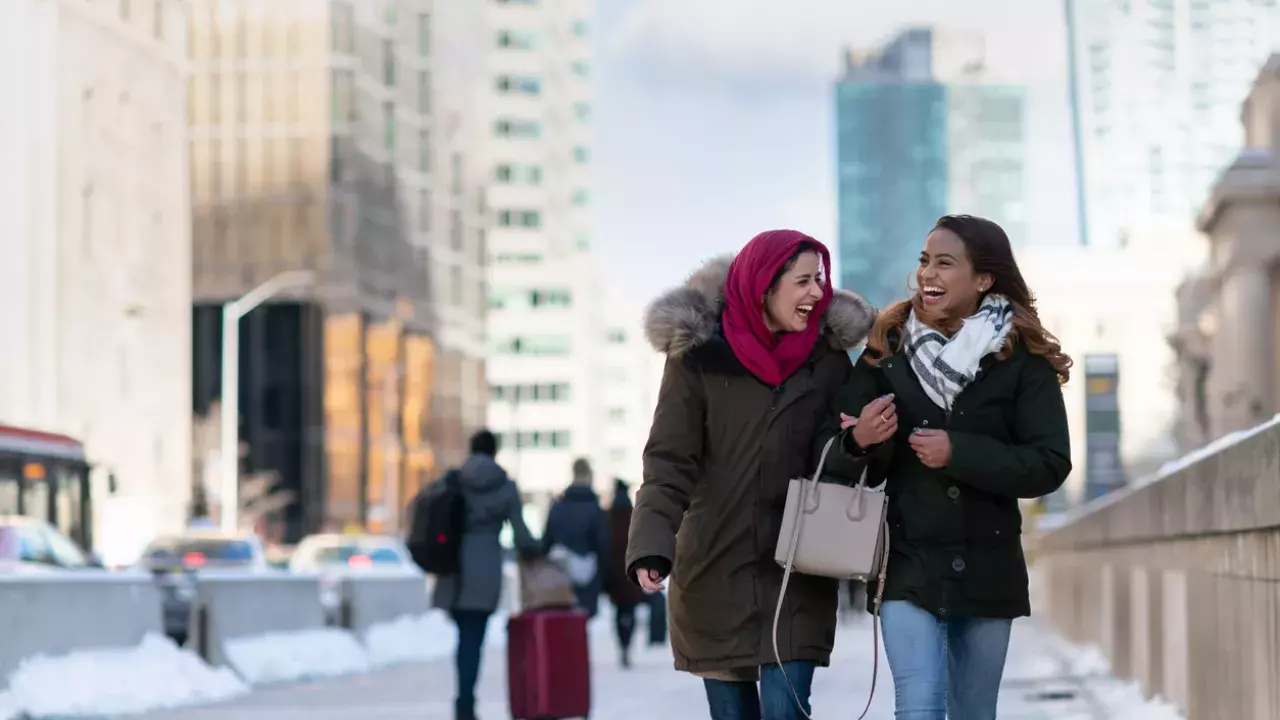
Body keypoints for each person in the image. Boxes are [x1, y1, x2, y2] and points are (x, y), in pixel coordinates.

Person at [821, 214, 1072, 719]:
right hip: (909, 564)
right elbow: (832, 453)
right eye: (923, 261)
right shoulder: (886, 347)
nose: (927, 274)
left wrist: (960, 452)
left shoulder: (1023, 360)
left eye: (944, 263)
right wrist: (860, 439)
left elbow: (1049, 463)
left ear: (983, 279)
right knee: (918, 707)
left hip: (989, 567)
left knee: (974, 713)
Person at [626, 229, 876, 719]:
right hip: (715, 567)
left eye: (820, 281)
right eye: (803, 280)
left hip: (798, 566)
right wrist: (651, 543)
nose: (815, 293)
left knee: (787, 710)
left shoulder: (827, 360)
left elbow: (836, 450)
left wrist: (857, 440)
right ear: (765, 284)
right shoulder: (697, 356)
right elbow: (668, 460)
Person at [431, 429, 539, 720]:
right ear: (494, 452)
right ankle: (465, 701)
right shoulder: (504, 485)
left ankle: (463, 699)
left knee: (464, 636)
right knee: (473, 637)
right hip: (486, 568)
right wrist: (541, 547)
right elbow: (522, 537)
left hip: (453, 569)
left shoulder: (454, 480)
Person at [542, 458, 610, 618]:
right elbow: (603, 544)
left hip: (560, 572)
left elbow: (546, 541)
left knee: (561, 620)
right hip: (588, 574)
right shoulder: (596, 509)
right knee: (582, 621)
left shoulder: (558, 507)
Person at [604, 478, 647, 668]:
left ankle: (622, 645)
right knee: (630, 610)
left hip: (614, 571)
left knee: (619, 611)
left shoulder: (608, 516)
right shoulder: (635, 515)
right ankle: (627, 646)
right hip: (632, 570)